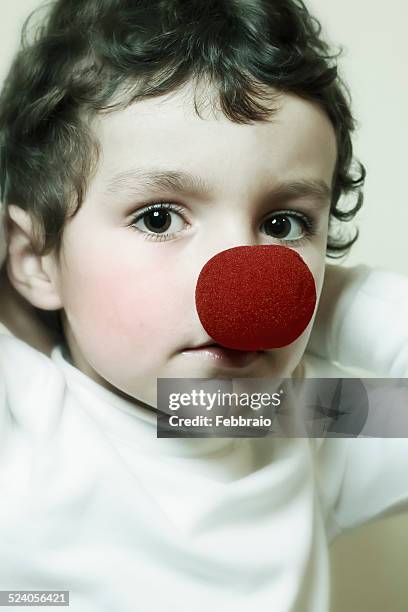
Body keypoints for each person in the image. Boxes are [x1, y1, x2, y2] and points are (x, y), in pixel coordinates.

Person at [0, 1, 407, 610]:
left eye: (283, 222)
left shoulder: (303, 420)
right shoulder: (24, 417)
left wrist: (328, 301)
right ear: (35, 259)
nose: (244, 281)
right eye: (159, 217)